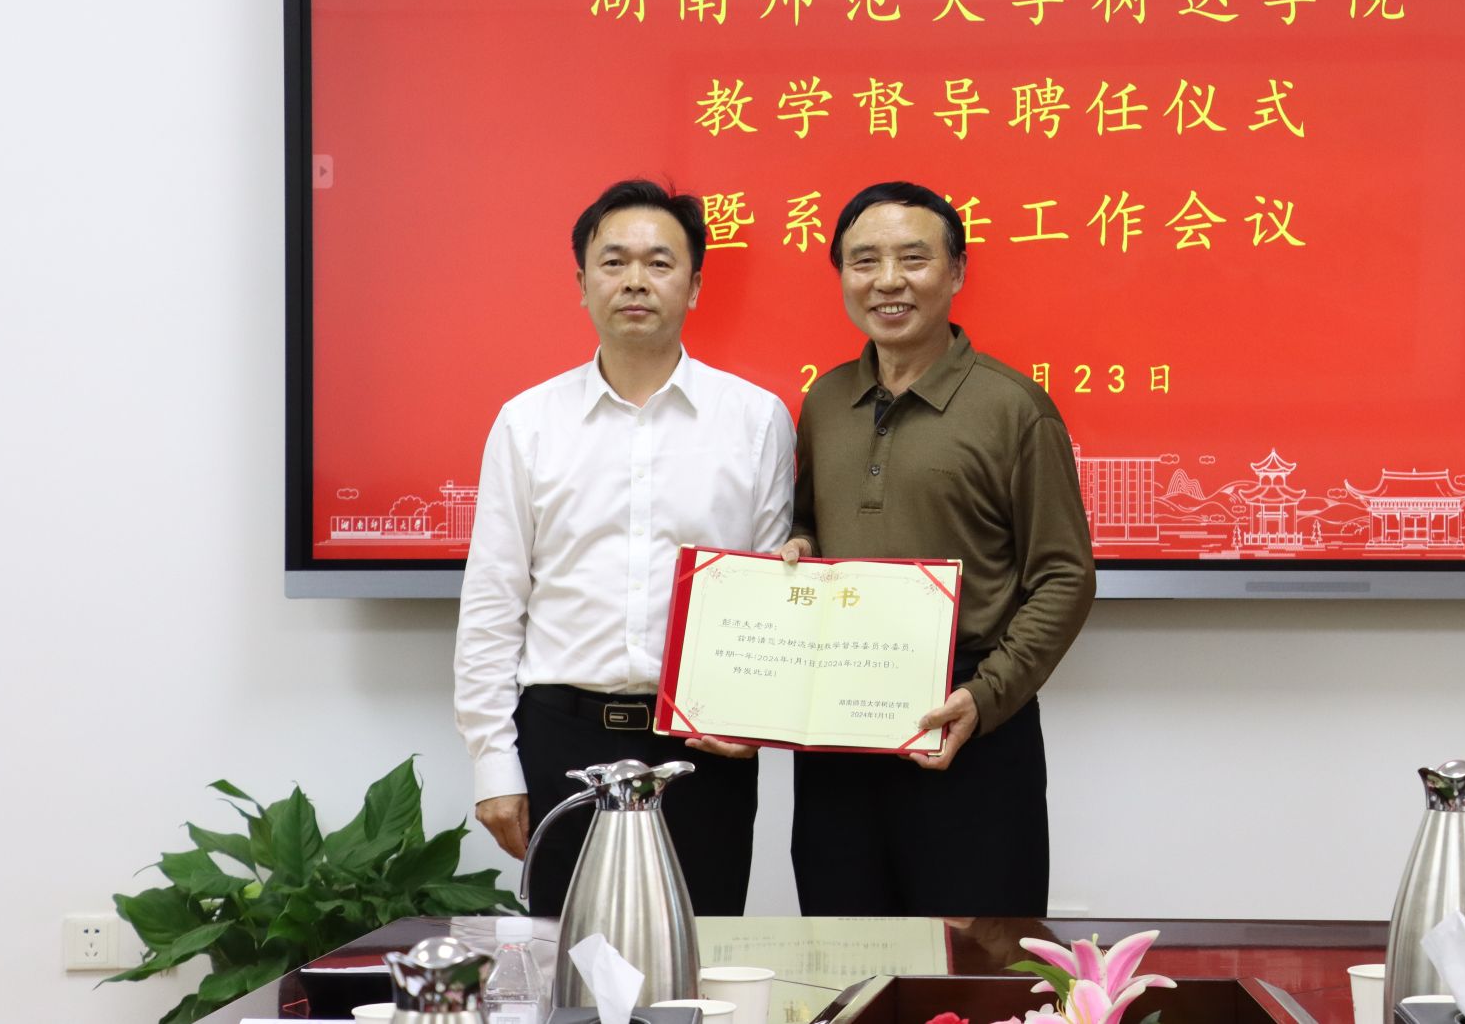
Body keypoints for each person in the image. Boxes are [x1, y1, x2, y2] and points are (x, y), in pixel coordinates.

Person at [453, 179, 793, 916]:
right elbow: (493, 601)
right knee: (572, 961)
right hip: (560, 739)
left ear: (694, 286)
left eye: (659, 262)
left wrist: (755, 720)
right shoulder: (528, 423)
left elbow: (769, 594)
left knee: (699, 957)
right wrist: (493, 763)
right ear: (582, 284)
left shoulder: (756, 419)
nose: (636, 280)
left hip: (702, 749)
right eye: (614, 261)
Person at [781, 180, 1096, 915]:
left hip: (969, 726)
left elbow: (1064, 576)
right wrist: (797, 544)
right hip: (836, 733)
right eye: (864, 261)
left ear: (955, 272)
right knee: (845, 953)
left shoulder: (1014, 407)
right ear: (842, 276)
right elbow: (809, 523)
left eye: (913, 258)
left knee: (977, 960)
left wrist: (984, 698)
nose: (887, 280)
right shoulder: (824, 402)